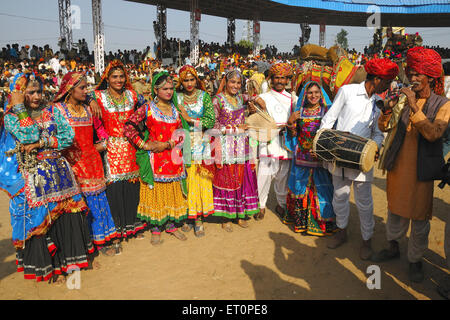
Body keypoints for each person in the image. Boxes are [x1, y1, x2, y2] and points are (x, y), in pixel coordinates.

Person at [3, 73, 93, 283]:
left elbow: (68, 136)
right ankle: (50, 268)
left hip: (60, 173)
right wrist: (19, 109)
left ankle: (67, 262)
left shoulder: (52, 110)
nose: (36, 96)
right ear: (18, 94)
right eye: (30, 92)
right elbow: (28, 135)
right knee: (43, 221)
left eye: (39, 91)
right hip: (33, 176)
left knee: (66, 216)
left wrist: (41, 144)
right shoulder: (11, 117)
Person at [373, 47, 450, 282]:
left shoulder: (443, 104)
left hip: (422, 173)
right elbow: (383, 128)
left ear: (431, 77)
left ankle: (415, 260)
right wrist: (387, 109)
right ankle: (393, 246)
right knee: (395, 211)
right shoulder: (402, 100)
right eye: (411, 74)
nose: (413, 79)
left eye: (418, 74)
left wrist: (415, 107)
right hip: (398, 167)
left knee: (419, 218)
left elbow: (434, 134)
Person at [319, 58, 398, 260]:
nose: (389, 86)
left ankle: (366, 240)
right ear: (378, 79)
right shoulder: (347, 91)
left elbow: (378, 132)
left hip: (363, 159)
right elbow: (329, 118)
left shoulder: (379, 103)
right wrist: (321, 142)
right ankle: (342, 232)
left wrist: (376, 147)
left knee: (364, 202)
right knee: (340, 196)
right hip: (338, 154)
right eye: (387, 82)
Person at [53, 72, 118, 256]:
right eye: (82, 88)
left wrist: (102, 145)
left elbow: (101, 130)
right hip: (71, 165)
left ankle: (101, 241)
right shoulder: (57, 110)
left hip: (92, 162)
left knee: (97, 203)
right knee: (79, 206)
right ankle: (84, 245)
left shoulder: (90, 109)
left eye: (87, 87)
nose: (86, 91)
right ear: (69, 89)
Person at [124, 71, 188, 245]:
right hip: (156, 160)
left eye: (171, 89)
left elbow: (181, 133)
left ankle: (171, 225)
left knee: (172, 191)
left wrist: (169, 144)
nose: (169, 92)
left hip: (173, 157)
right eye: (165, 89)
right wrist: (144, 145)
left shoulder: (175, 110)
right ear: (156, 90)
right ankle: (156, 227)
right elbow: (128, 127)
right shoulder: (147, 108)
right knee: (157, 192)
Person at [89, 60, 147, 253]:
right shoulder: (98, 96)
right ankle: (117, 230)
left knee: (132, 187)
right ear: (107, 78)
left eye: (122, 76)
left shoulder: (132, 95)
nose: (119, 80)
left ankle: (133, 226)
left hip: (130, 147)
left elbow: (148, 106)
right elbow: (80, 94)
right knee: (114, 191)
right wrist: (90, 100)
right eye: (114, 76)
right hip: (111, 149)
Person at [284, 81, 336, 235]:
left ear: (321, 94)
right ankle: (302, 224)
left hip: (319, 158)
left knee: (321, 189)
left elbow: (332, 135)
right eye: (310, 93)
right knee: (300, 189)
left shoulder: (327, 112)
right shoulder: (299, 111)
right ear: (305, 95)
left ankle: (321, 225)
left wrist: (322, 151)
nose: (313, 96)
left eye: (316, 92)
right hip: (301, 158)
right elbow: (293, 134)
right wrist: (291, 121)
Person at [211, 69, 260, 232]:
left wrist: (254, 103)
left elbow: (253, 97)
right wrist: (233, 129)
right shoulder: (217, 100)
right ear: (225, 82)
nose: (235, 85)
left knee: (242, 179)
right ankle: (226, 216)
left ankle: (239, 214)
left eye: (238, 83)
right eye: (232, 82)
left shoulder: (241, 98)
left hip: (242, 146)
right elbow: (213, 125)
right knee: (227, 179)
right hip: (225, 146)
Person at [251, 63, 294, 221]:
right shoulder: (263, 98)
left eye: (283, 77)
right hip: (268, 140)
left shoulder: (292, 98)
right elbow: (257, 120)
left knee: (283, 175)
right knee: (264, 175)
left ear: (286, 80)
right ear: (271, 79)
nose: (280, 80)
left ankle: (281, 204)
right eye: (277, 77)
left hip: (285, 142)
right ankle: (260, 206)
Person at [176, 65, 216, 237]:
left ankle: (198, 218)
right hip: (181, 143)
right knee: (185, 179)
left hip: (201, 142)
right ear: (181, 82)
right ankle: (188, 214)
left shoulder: (204, 96)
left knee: (199, 180)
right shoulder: (176, 98)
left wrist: (190, 119)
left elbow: (210, 120)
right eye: (186, 80)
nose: (189, 83)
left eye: (192, 79)